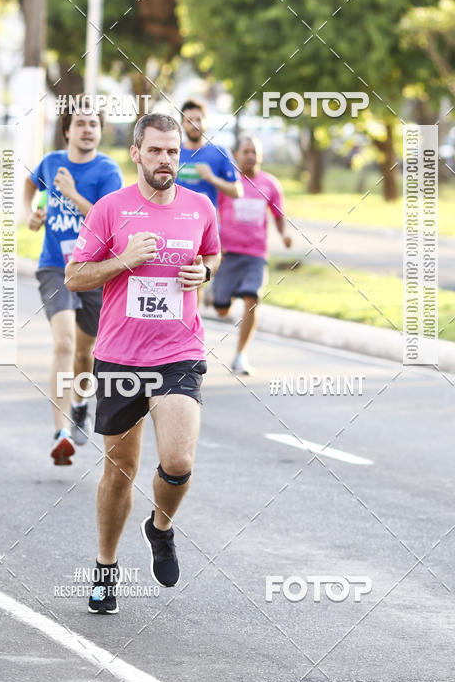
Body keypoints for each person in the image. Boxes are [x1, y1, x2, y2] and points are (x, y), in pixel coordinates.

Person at [65, 113, 221, 614]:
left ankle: (160, 527)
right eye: (155, 150)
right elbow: (74, 277)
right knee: (120, 471)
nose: (165, 160)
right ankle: (106, 567)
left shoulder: (200, 207)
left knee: (178, 462)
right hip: (120, 357)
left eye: (173, 151)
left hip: (179, 353)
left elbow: (212, 255)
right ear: (136, 153)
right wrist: (124, 260)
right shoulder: (110, 210)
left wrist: (205, 272)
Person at [24, 100, 122, 465]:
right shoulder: (51, 162)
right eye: (80, 123)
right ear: (67, 130)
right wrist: (31, 214)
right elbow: (30, 185)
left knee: (85, 352)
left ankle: (81, 403)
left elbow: (109, 223)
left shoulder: (108, 171)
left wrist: (72, 194)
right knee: (64, 343)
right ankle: (60, 431)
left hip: (94, 270)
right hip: (55, 266)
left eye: (93, 124)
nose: (87, 129)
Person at [213, 136, 291, 375]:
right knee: (221, 309)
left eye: (254, 152)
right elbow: (212, 213)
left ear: (261, 156)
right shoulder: (228, 183)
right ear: (236, 155)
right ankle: (219, 296)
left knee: (252, 298)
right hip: (227, 253)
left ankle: (240, 355)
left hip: (255, 254)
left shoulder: (270, 184)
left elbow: (278, 215)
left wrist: (284, 234)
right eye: (245, 151)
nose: (250, 156)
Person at [176, 99, 242, 207]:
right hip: (177, 217)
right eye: (189, 120)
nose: (194, 125)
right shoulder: (172, 152)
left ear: (206, 122)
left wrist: (212, 178)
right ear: (182, 124)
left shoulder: (220, 152)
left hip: (207, 217)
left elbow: (237, 191)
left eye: (198, 119)